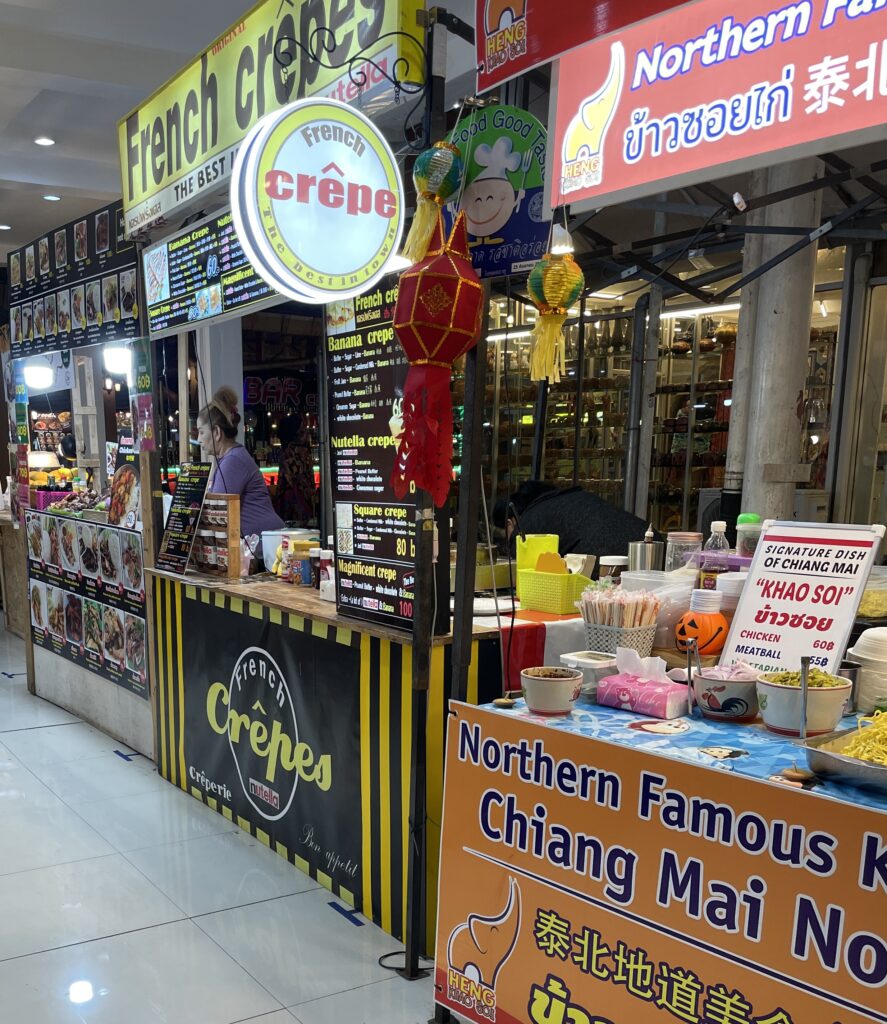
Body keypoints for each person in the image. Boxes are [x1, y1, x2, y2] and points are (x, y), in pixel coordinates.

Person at [196, 387, 284, 543]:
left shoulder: (233, 461)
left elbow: (216, 513)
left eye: (201, 432)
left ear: (216, 432)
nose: (198, 439)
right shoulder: (230, 458)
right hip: (260, 543)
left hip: (266, 547)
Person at [493, 480, 653, 563]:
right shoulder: (574, 499)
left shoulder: (527, 527)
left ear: (510, 523)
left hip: (615, 573)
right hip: (654, 551)